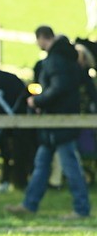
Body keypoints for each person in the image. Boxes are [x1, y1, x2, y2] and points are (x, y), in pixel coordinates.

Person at [6, 28, 93, 219]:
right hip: (56, 122)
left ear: (42, 39)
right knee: (42, 165)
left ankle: (81, 209)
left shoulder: (56, 59)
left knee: (70, 167)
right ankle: (29, 205)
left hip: (58, 123)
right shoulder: (67, 57)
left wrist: (37, 101)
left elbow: (58, 88)